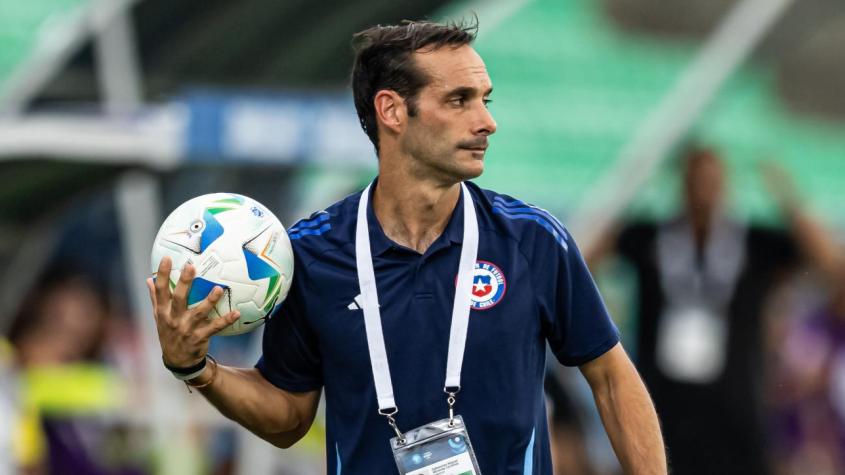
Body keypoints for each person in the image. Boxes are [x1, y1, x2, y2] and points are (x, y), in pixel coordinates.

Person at [147, 20, 666, 474]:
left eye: (485, 99)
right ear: (392, 110)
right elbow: (288, 414)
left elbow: (612, 378)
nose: (487, 121)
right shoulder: (309, 256)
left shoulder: (532, 240)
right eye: (459, 100)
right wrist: (197, 369)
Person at [586, 147, 834, 475]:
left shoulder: (752, 242)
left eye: (712, 181)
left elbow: (826, 262)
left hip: (735, 409)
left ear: (726, 186)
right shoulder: (651, 237)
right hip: (663, 406)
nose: (704, 191)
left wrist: (788, 198)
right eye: (695, 180)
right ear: (681, 184)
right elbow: (586, 258)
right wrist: (634, 186)